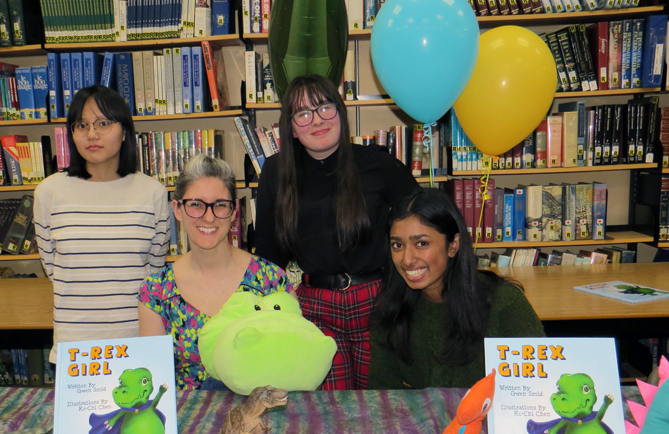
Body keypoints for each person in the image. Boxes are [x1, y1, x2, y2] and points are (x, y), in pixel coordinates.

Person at [255, 74, 418, 391]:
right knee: (329, 415)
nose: (316, 120)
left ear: (340, 112)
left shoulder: (376, 163)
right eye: (303, 113)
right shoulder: (276, 172)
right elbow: (267, 256)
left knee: (381, 407)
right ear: (290, 127)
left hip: (376, 305)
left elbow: (423, 224)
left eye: (324, 107)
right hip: (315, 310)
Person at [33, 84, 170, 364]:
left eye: (103, 123)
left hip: (137, 341)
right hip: (76, 346)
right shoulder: (49, 192)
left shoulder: (152, 192)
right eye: (81, 125)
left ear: (125, 132)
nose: (92, 134)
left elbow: (154, 270)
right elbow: (52, 267)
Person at [138, 155, 293, 390]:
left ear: (233, 212)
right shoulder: (156, 291)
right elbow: (153, 379)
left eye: (220, 205)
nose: (208, 217)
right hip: (187, 421)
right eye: (196, 204)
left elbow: (291, 362)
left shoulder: (271, 280)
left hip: (261, 420)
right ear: (177, 209)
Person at [369, 188, 546, 389]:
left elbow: (539, 386)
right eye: (397, 246)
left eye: (422, 243)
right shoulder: (390, 309)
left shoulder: (504, 304)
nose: (407, 259)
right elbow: (381, 395)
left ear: (453, 245)